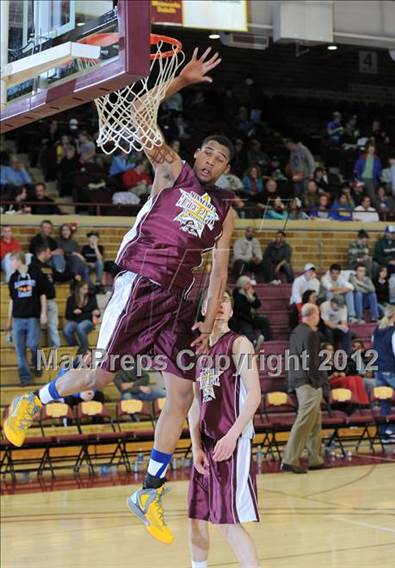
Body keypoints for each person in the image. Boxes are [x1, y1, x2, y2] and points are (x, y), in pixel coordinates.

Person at [4, 47, 234, 545]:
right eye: (209, 153)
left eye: (222, 159)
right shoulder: (175, 171)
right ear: (198, 156)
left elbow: (220, 264)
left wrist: (211, 313)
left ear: (227, 169)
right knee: (101, 373)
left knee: (181, 393)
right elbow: (137, 112)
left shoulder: (225, 209)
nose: (213, 161)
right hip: (142, 283)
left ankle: (148, 491)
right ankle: (31, 400)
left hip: (180, 305)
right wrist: (181, 82)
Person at [187, 290, 261, 568]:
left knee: (227, 522)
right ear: (204, 309)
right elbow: (194, 401)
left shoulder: (239, 343)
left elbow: (254, 395)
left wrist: (233, 436)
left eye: (225, 301)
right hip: (205, 443)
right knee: (196, 518)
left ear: (231, 310)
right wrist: (195, 445)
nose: (219, 306)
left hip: (230, 440)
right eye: (213, 302)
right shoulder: (197, 348)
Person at [281, 304, 327, 474]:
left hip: (298, 378)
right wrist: (317, 382)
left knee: (314, 421)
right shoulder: (311, 333)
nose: (319, 317)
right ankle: (289, 459)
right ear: (314, 315)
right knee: (304, 421)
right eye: (318, 313)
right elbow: (311, 361)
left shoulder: (296, 332)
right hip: (308, 381)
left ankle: (315, 459)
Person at [6, 252, 47, 385]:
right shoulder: (13, 278)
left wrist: (44, 313)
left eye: (12, 261)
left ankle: (37, 362)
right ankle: (25, 378)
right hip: (18, 318)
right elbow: (12, 299)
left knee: (33, 345)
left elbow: (42, 295)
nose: (11, 264)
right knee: (19, 350)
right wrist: (9, 319)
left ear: (18, 260)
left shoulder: (35, 273)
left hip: (32, 317)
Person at [372, 305, 395, 443]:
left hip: (379, 370)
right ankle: (391, 429)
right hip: (391, 370)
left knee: (385, 401)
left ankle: (383, 434)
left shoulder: (376, 330)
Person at [30, 245, 60, 348]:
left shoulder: (48, 267)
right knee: (35, 328)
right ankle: (35, 353)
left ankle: (56, 351)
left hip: (50, 300)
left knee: (53, 327)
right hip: (37, 301)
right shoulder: (33, 267)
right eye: (48, 252)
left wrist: (73, 275)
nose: (50, 254)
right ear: (43, 253)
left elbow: (59, 276)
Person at [231, 275, 272, 347]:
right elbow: (241, 307)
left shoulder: (250, 292)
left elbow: (258, 305)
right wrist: (250, 308)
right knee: (247, 328)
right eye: (248, 283)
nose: (250, 285)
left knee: (264, 321)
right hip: (241, 318)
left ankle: (265, 339)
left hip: (251, 317)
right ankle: (253, 342)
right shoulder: (237, 292)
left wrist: (253, 296)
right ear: (242, 284)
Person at [63, 281, 99, 351]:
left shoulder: (91, 298)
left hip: (88, 321)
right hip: (75, 320)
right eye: (84, 289)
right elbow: (67, 315)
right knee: (66, 330)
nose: (86, 291)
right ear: (78, 289)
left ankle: (85, 350)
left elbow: (97, 311)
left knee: (80, 327)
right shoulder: (71, 299)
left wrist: (97, 312)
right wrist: (73, 312)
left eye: (87, 289)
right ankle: (76, 347)